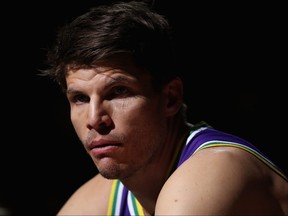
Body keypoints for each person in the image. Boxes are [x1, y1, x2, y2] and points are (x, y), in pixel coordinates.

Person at [41, 1, 288, 215]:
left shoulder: (209, 174)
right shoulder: (109, 194)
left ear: (170, 98)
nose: (94, 119)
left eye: (118, 92)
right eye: (80, 99)